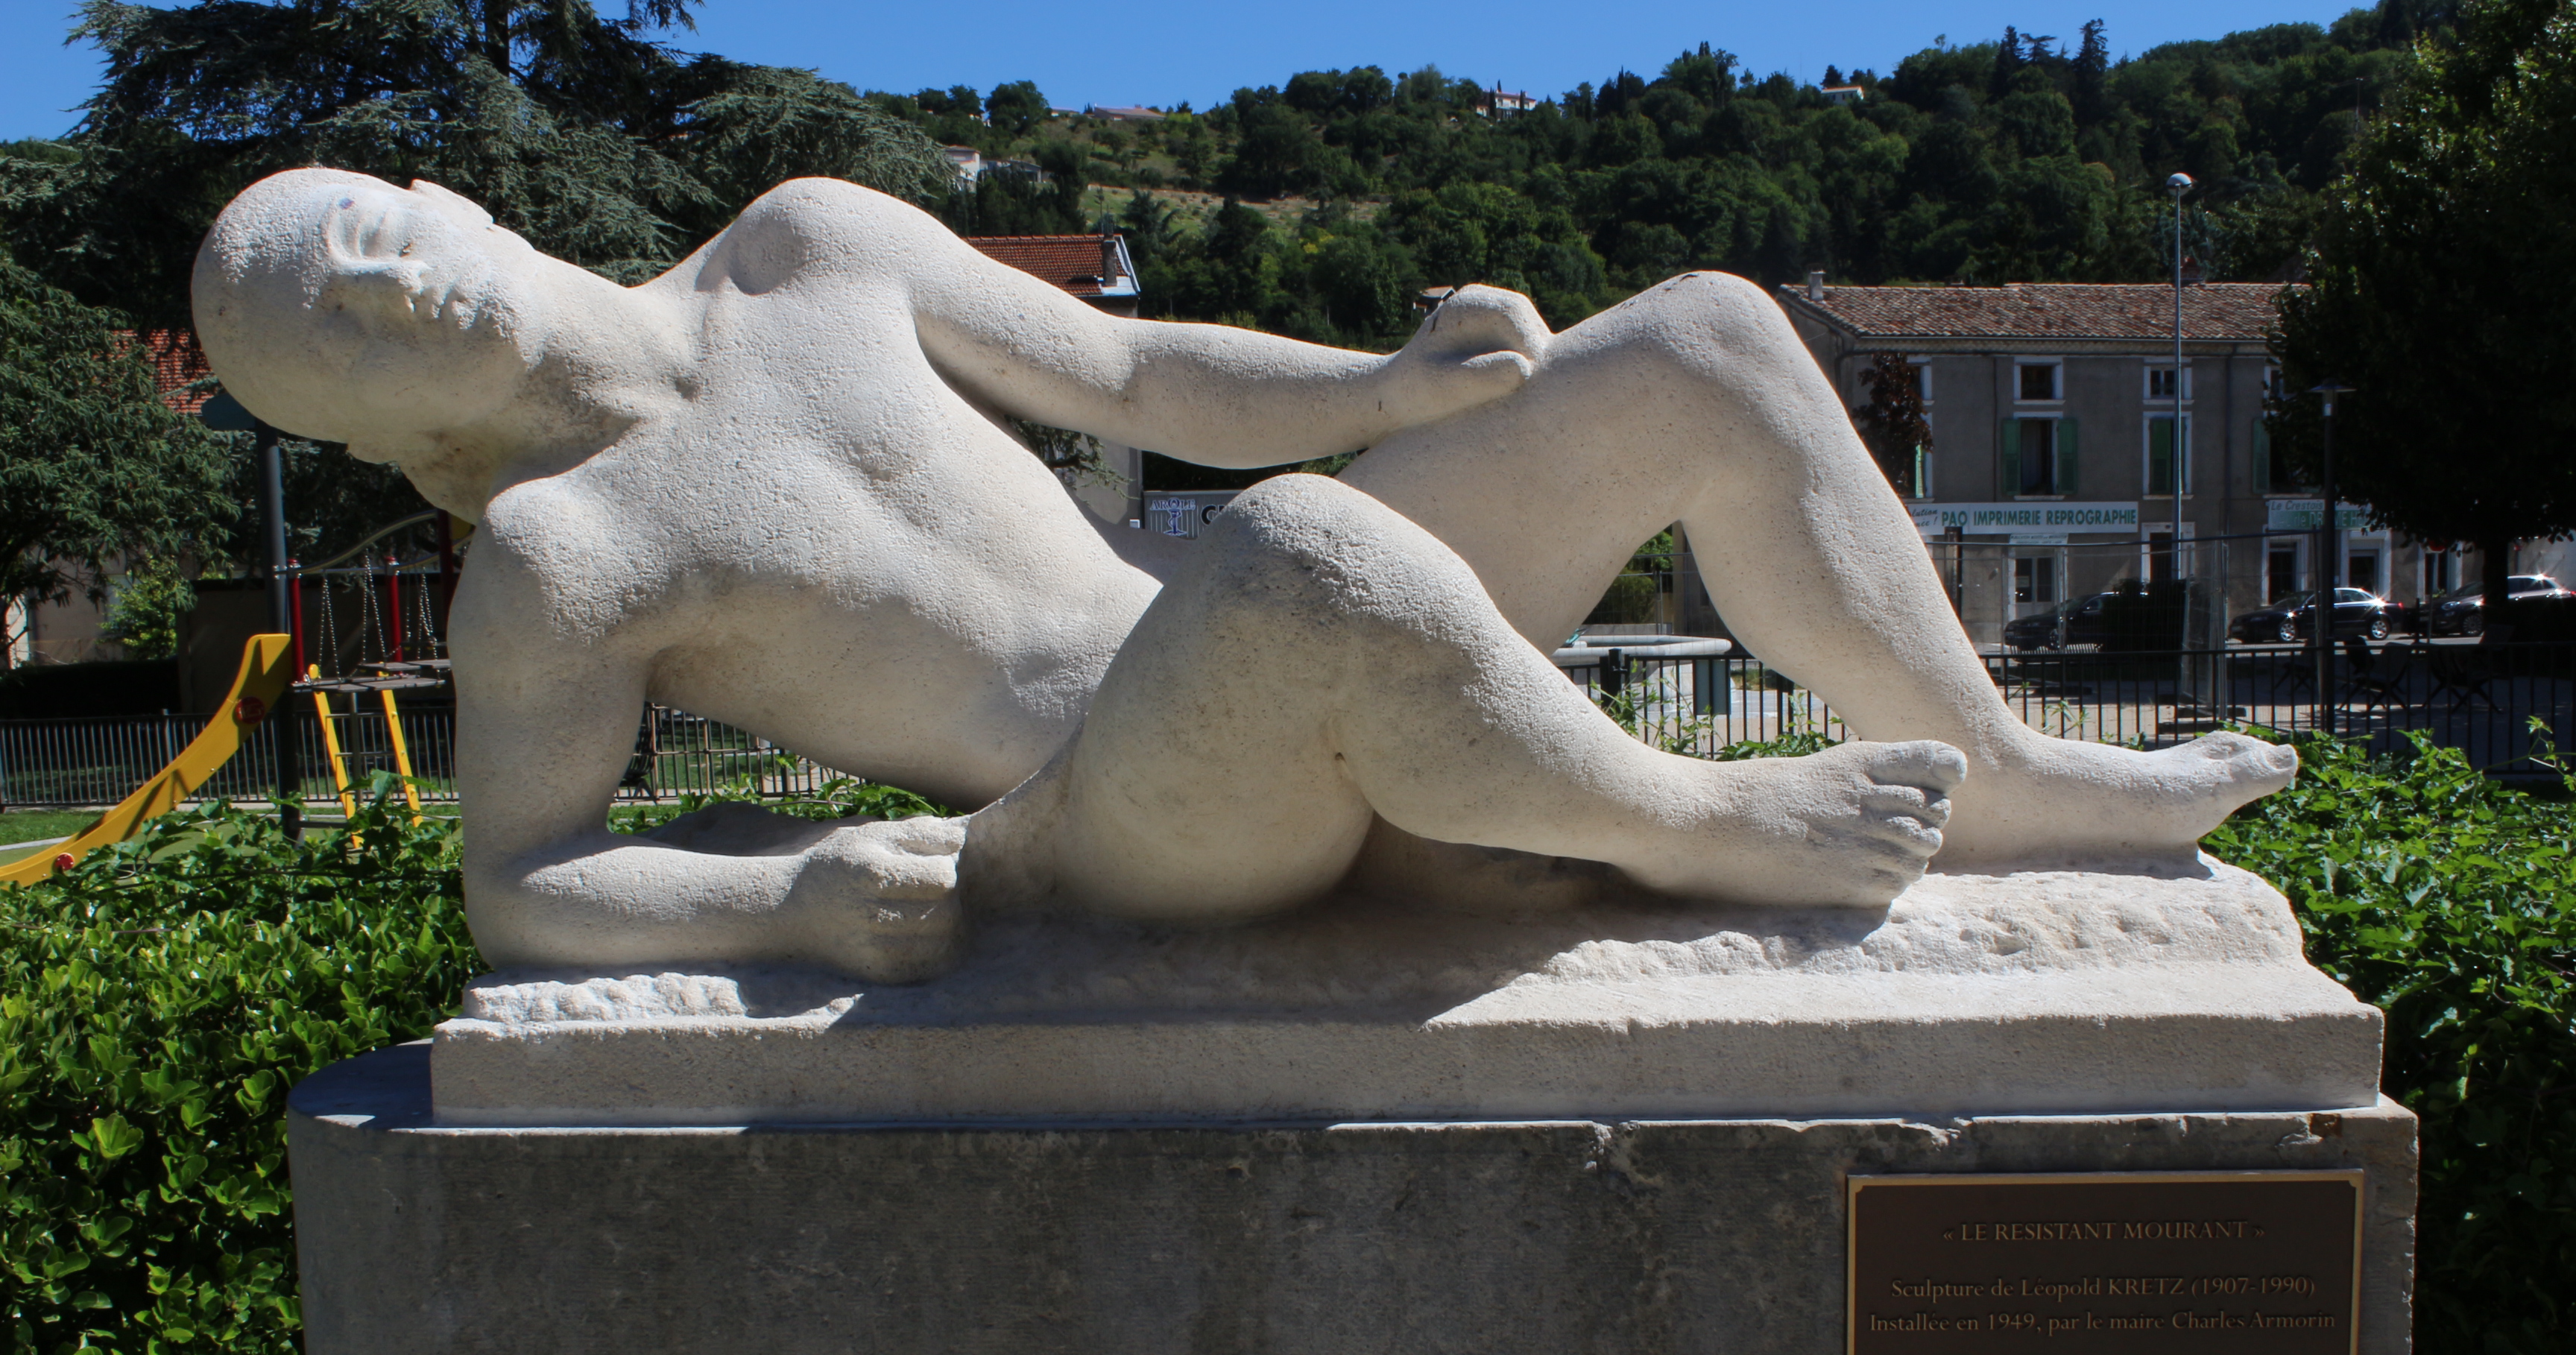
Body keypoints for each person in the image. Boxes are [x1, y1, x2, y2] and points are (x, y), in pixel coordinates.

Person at [194, 168, 2294, 979]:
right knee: (1296, 565)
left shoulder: (808, 246)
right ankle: (1703, 828)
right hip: (1124, 817)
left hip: (1228, 642)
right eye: (337, 324)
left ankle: (1988, 762)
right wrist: (790, 896)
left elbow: (1129, 370)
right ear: (362, 426)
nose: (388, 277)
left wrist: (1381, 384)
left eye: (366, 224)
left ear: (439, 186)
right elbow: (517, 886)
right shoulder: (560, 560)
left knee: (1709, 342)